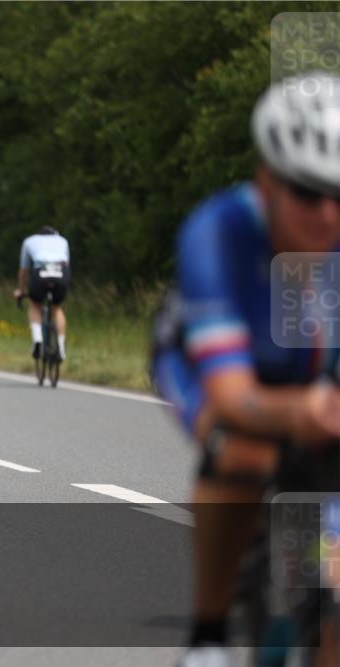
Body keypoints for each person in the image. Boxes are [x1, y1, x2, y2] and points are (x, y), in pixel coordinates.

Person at [152, 72, 340, 667]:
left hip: (317, 374)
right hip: (215, 365)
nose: (328, 216)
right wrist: (301, 412)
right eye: (307, 193)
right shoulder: (220, 230)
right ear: (266, 181)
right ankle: (207, 636)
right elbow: (233, 396)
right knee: (242, 452)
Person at [13, 226, 70, 360]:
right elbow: (67, 265)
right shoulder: (63, 240)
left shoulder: (29, 241)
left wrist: (20, 290)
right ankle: (61, 348)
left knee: (35, 304)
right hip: (61, 272)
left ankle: (37, 339)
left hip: (41, 272)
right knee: (57, 307)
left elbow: (24, 271)